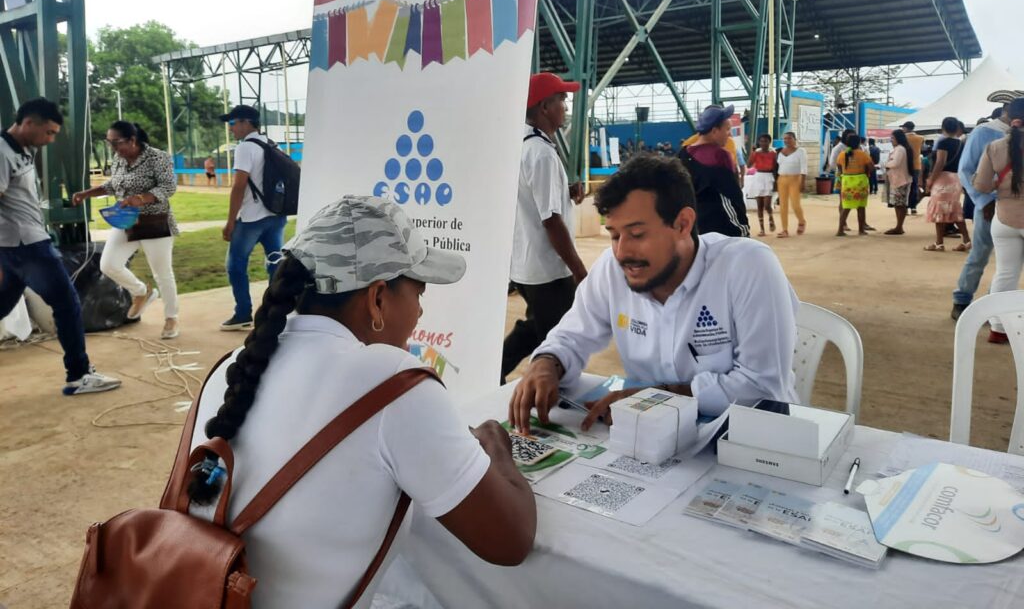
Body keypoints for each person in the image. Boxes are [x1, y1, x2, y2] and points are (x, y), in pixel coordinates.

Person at [186, 196, 535, 605]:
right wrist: (496, 446)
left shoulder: (230, 370)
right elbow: (510, 540)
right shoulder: (394, 382)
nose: (420, 312)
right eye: (419, 293)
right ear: (377, 298)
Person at [508, 154, 797, 432]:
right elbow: (571, 336)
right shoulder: (612, 269)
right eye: (614, 235)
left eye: (637, 234)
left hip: (745, 442)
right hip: (648, 439)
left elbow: (762, 389)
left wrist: (654, 399)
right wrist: (547, 364)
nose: (622, 252)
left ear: (682, 224)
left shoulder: (747, 266)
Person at [0, 99, 120, 395]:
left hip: (20, 244)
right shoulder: (2, 152)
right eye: (49, 132)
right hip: (26, 246)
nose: (51, 140)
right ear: (29, 123)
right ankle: (79, 375)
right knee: (67, 303)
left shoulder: (23, 149)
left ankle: (79, 373)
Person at [503, 73, 587, 383]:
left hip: (527, 267)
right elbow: (550, 220)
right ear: (544, 107)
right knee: (563, 341)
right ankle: (553, 392)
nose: (566, 107)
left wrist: (565, 191)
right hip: (548, 270)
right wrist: (578, 270)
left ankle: (491, 372)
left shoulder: (522, 146)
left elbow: (531, 198)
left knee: (536, 329)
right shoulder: (541, 153)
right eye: (562, 100)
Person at [72, 121, 181, 339]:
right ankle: (141, 291)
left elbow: (169, 187)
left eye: (116, 142)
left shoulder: (157, 157)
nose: (113, 147)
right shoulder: (119, 159)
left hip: (155, 222)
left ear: (132, 140)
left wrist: (141, 198)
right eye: (109, 142)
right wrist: (87, 193)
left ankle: (171, 318)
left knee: (162, 273)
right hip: (126, 221)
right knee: (108, 264)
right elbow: (113, 185)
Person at [219, 105, 287, 331]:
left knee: (236, 265)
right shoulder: (271, 144)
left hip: (251, 219)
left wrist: (230, 221)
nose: (231, 129)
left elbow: (239, 186)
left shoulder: (245, 147)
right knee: (275, 264)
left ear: (246, 123)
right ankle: (275, 312)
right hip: (275, 215)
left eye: (232, 123)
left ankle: (242, 313)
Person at [951, 103, 1011, 320]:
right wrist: (983, 201)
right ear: (1007, 109)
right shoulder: (983, 132)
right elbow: (966, 170)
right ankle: (961, 300)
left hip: (1016, 206)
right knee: (980, 254)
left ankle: (992, 306)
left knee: (1009, 264)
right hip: (990, 204)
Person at [974, 97, 1024, 344]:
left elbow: (981, 185)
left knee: (1005, 273)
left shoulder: (994, 147)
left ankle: (998, 329)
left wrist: (999, 184)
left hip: (1004, 219)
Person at [677, 108, 750, 238]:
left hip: (694, 227)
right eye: (727, 129)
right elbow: (732, 196)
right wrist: (743, 229)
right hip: (721, 226)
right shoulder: (720, 155)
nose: (729, 135)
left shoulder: (683, 153)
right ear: (714, 131)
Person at [923, 116, 969, 252]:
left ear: (943, 127)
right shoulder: (960, 143)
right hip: (955, 178)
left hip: (943, 178)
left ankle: (939, 243)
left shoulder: (942, 142)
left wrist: (931, 179)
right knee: (954, 209)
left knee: (939, 209)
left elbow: (940, 162)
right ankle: (966, 240)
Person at [835, 134, 874, 236]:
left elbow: (839, 168)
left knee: (846, 207)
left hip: (847, 182)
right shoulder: (863, 154)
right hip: (860, 182)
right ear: (858, 143)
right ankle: (861, 230)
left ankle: (840, 230)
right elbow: (871, 167)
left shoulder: (842, 154)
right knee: (861, 207)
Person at [775, 131, 807, 238]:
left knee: (795, 204)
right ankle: (784, 229)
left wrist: (803, 182)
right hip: (782, 179)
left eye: (789, 138)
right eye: (785, 138)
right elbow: (778, 166)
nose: (786, 140)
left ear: (794, 139)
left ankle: (801, 221)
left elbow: (804, 167)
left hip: (795, 179)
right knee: (783, 205)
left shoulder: (800, 151)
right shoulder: (780, 152)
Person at [883, 129, 914, 236]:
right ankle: (899, 226)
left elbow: (895, 163)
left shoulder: (900, 149)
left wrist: (885, 164)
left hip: (900, 180)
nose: (891, 140)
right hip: (898, 180)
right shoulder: (900, 149)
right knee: (898, 204)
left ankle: (899, 226)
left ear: (898, 138)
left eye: (892, 138)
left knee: (900, 204)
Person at [747, 134, 777, 236]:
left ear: (769, 142)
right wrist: (752, 153)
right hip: (758, 177)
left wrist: (776, 182)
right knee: (759, 205)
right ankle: (762, 229)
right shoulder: (756, 153)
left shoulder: (773, 153)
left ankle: (771, 217)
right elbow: (748, 165)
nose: (763, 143)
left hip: (769, 177)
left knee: (767, 205)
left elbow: (775, 168)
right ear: (759, 142)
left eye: (766, 141)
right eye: (761, 141)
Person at [901, 121, 925, 215]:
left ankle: (905, 207)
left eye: (903, 127)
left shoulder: (902, 138)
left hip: (905, 165)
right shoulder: (921, 138)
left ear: (906, 128)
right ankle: (913, 207)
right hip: (916, 165)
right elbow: (922, 149)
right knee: (914, 186)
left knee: (905, 186)